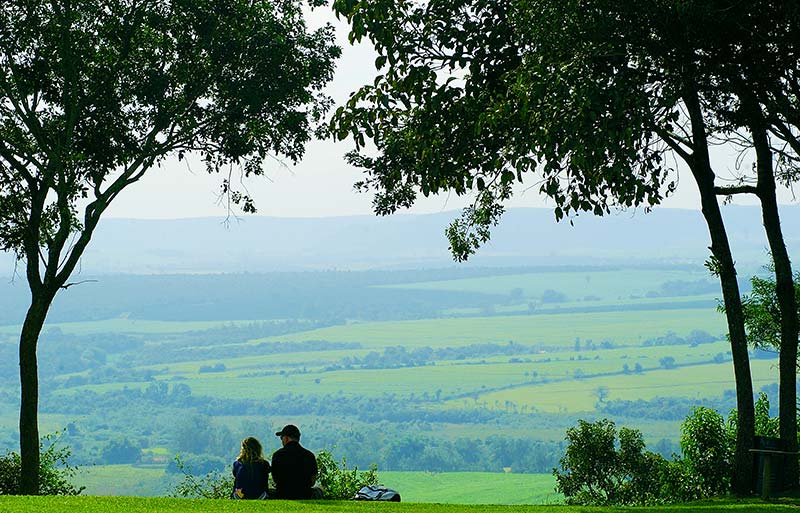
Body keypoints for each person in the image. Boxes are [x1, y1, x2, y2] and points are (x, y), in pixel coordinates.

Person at [271, 424, 323, 499]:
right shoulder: (309, 455)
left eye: (281, 438)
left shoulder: (277, 455)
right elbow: (313, 481)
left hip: (283, 494)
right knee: (319, 490)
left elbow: (275, 479)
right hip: (304, 494)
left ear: (286, 438)